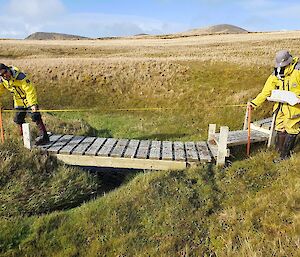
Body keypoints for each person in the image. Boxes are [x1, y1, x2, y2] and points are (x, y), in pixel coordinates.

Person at [250, 50, 300, 161]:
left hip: (295, 108)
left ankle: (284, 157)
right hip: (280, 107)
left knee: (292, 129)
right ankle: (278, 151)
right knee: (280, 127)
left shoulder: (298, 71)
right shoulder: (275, 75)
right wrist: (254, 103)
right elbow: (266, 92)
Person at [0, 63, 50, 145]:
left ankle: (44, 136)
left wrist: (33, 104)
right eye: (2, 75)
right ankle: (24, 136)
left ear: (8, 69)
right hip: (18, 101)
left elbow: (30, 91)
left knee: (35, 116)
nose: (5, 75)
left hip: (28, 99)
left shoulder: (21, 77)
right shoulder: (2, 80)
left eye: (5, 72)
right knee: (18, 119)